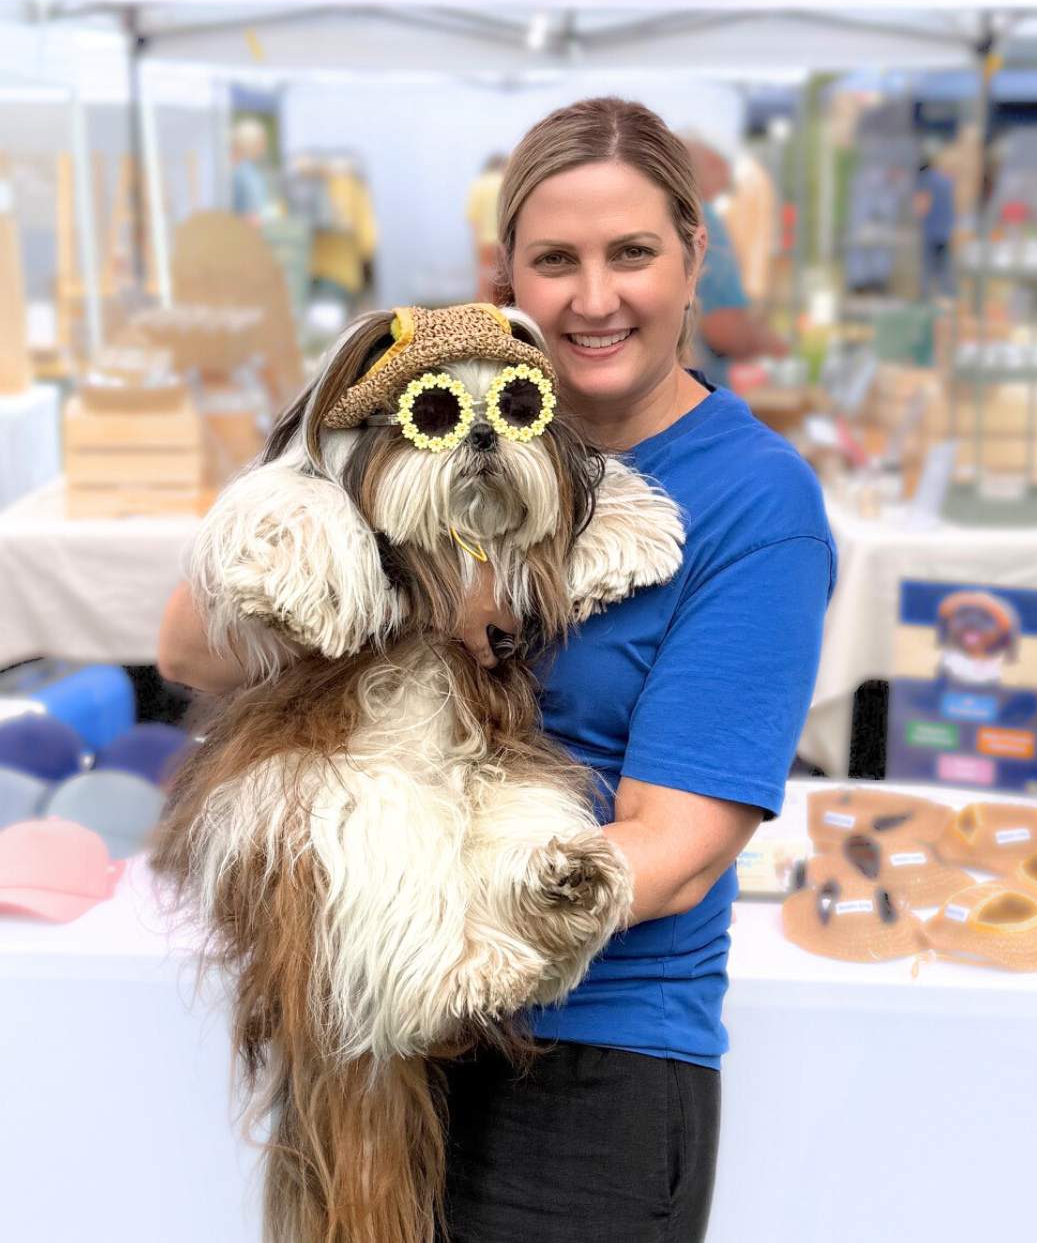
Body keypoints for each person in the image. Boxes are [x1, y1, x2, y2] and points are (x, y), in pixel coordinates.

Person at [158, 97, 836, 1242]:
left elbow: (676, 852)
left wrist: (452, 952)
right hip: (371, 1019)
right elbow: (187, 644)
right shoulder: (410, 411)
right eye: (556, 260)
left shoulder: (754, 502)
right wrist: (410, 585)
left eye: (633, 253)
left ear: (694, 257)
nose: (595, 298)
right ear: (506, 272)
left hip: (590, 1056)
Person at [680, 133, 787, 389]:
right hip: (699, 390)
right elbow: (724, 330)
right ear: (713, 161)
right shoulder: (703, 221)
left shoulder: (660, 216)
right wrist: (768, 344)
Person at [464, 153, 507, 301]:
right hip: (505, 239)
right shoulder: (506, 183)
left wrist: (476, 244)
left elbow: (474, 218)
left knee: (484, 274)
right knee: (504, 277)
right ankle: (501, 308)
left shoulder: (478, 185)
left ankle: (482, 308)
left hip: (485, 240)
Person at [914, 158, 956, 300]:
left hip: (931, 230)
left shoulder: (925, 181)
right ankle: (946, 299)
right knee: (944, 269)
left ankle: (927, 299)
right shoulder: (946, 180)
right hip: (945, 230)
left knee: (928, 269)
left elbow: (922, 206)